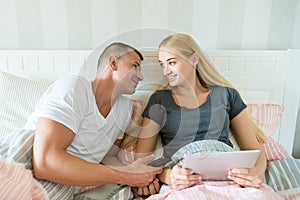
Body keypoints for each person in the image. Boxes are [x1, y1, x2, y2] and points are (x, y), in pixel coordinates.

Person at [0, 42, 162, 199]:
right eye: (135, 66)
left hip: (64, 186)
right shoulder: (75, 88)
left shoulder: (124, 110)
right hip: (23, 164)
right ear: (113, 63)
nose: (140, 76)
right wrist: (125, 176)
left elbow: (107, 158)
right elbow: (45, 164)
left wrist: (140, 176)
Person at [132, 33, 269, 196]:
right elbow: (142, 161)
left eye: (172, 63)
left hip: (229, 178)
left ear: (194, 59)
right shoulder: (160, 100)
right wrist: (168, 176)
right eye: (162, 64)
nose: (166, 71)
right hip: (184, 182)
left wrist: (255, 174)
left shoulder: (227, 95)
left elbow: (255, 151)